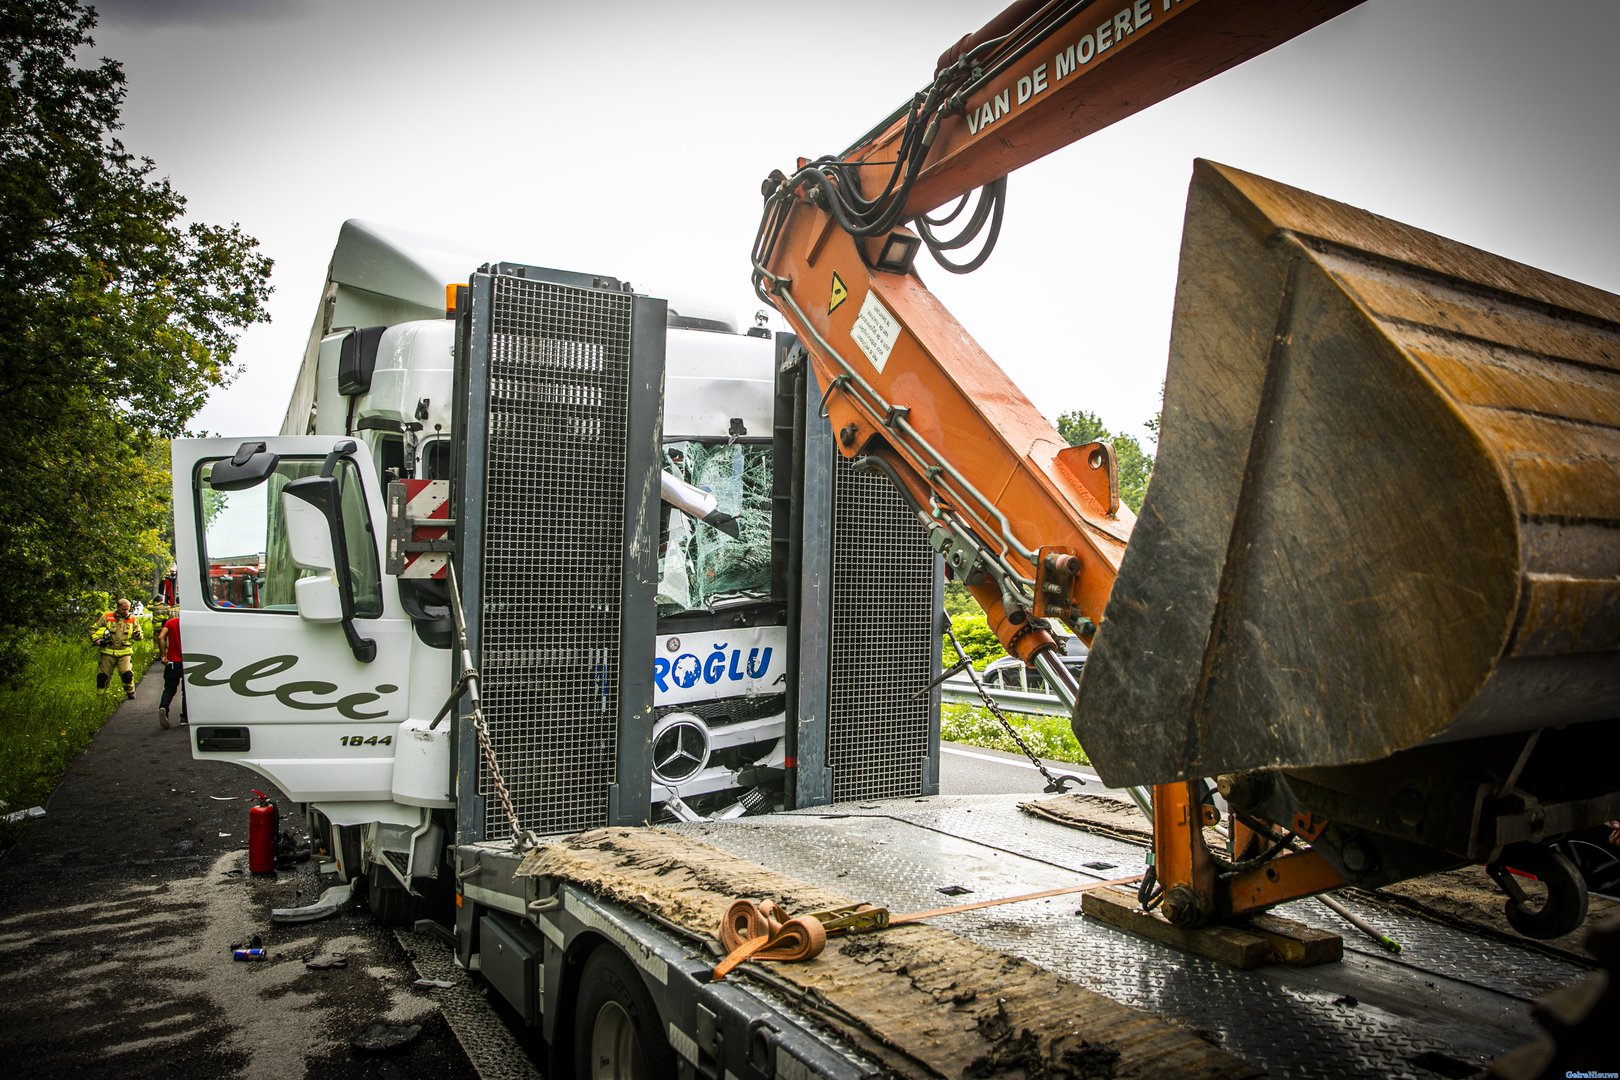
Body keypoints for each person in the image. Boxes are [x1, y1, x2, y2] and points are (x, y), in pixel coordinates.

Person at [92, 597, 143, 700]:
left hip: (125, 652)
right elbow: (93, 629)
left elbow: (140, 635)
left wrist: (138, 635)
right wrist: (96, 639)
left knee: (127, 675)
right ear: (118, 607)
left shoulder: (132, 619)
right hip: (107, 652)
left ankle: (130, 691)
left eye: (128, 609)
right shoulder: (107, 617)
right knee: (102, 677)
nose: (126, 611)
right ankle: (100, 697)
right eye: (124, 609)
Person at [156, 607, 186, 729]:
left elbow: (160, 637)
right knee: (186, 691)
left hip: (172, 662)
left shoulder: (171, 622)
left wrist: (163, 655)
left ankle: (164, 707)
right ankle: (184, 717)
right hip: (187, 662)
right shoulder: (190, 624)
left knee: (169, 689)